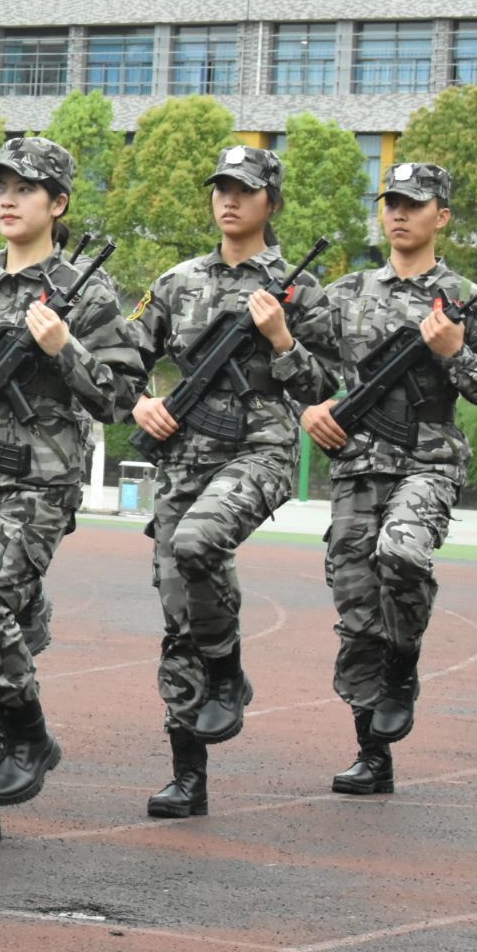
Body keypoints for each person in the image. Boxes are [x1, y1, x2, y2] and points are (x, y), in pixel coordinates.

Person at [0, 137, 140, 846]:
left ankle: (31, 737)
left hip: (38, 481)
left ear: (58, 204)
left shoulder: (88, 290)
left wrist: (63, 347)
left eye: (24, 188)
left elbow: (121, 396)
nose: (5, 199)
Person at [125, 145, 334, 818]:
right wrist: (140, 403)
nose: (229, 200)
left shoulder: (301, 291)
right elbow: (120, 360)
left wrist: (281, 341)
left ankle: (226, 668)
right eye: (220, 188)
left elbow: (330, 392)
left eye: (244, 190)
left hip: (260, 450)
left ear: (271, 200)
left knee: (198, 542)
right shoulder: (177, 281)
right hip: (184, 455)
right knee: (178, 610)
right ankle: (189, 774)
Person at [298, 160, 477, 796]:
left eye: (414, 204)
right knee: (358, 609)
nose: (398, 213)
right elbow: (295, 365)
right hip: (359, 464)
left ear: (441, 216)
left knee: (402, 553)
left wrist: (454, 352)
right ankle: (373, 753)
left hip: (428, 459)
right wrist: (309, 407)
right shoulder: (348, 292)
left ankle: (406, 660)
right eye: (391, 201)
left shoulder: (465, 298)